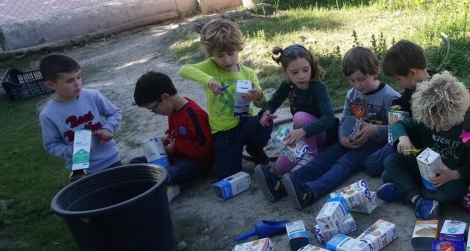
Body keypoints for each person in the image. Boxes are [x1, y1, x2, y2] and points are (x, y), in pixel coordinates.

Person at [276, 47, 400, 209]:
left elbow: (399, 129)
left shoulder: (391, 97)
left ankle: (310, 192)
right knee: (326, 157)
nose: (357, 85)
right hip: (351, 139)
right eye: (352, 80)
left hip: (375, 144)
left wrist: (375, 130)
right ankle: (286, 183)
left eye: (361, 79)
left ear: (374, 72)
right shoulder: (351, 94)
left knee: (344, 163)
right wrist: (342, 138)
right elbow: (345, 119)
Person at [377, 71, 470, 221]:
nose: (439, 125)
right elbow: (399, 124)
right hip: (424, 170)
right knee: (391, 163)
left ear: (457, 109)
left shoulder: (468, 129)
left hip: (448, 179)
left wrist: (453, 174)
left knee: (455, 193)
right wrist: (403, 138)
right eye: (434, 122)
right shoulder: (429, 119)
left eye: (444, 121)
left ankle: (407, 192)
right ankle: (418, 199)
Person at [179, 19, 269, 180]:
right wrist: (209, 80)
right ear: (211, 54)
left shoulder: (248, 73)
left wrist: (259, 95)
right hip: (223, 132)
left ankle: (255, 149)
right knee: (228, 177)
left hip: (245, 123)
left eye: (231, 53)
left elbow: (262, 104)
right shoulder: (210, 67)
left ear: (238, 48)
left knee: (265, 121)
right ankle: (232, 153)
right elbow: (184, 70)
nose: (227, 60)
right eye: (220, 55)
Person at [252, 44, 336, 202]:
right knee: (280, 167)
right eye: (294, 72)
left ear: (311, 67)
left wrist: (303, 131)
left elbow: (329, 118)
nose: (301, 76)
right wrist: (266, 112)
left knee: (300, 117)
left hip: (323, 135)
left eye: (305, 70)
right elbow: (273, 102)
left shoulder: (318, 87)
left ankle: (311, 155)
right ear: (286, 72)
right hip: (302, 136)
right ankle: (275, 181)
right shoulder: (288, 85)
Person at [38, 53, 122, 177]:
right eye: (69, 81)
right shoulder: (48, 114)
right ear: (50, 85)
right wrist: (72, 150)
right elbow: (51, 144)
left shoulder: (92, 96)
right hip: (81, 170)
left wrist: (108, 128)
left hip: (111, 159)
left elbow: (114, 112)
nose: (77, 83)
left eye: (78, 77)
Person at [364, 40, 436, 178]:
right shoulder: (414, 84)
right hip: (403, 137)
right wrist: (396, 107)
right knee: (371, 164)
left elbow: (424, 130)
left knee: (381, 171)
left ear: (412, 73)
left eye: (398, 79)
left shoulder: (432, 95)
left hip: (416, 146)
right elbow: (403, 99)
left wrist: (403, 135)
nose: (397, 82)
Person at [130, 71, 213, 186]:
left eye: (154, 109)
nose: (156, 113)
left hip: (196, 162)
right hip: (177, 157)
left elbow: (205, 147)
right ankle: (152, 180)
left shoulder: (194, 114)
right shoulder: (172, 110)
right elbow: (175, 132)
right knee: (135, 163)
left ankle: (152, 183)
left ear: (165, 97)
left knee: (169, 173)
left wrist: (176, 147)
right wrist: (167, 138)